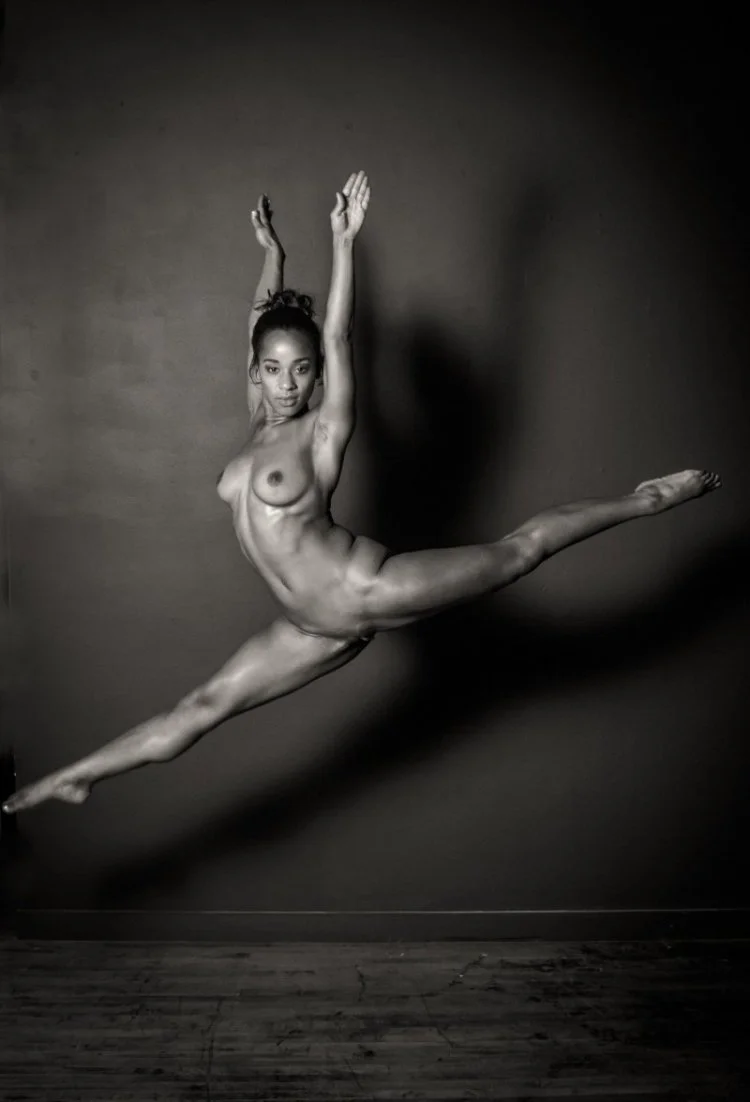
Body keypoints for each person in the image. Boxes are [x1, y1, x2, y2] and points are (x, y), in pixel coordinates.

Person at [2, 170, 721, 815]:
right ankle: (75, 777)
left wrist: (342, 243)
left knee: (521, 551)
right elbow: (258, 328)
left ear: (318, 375)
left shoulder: (323, 430)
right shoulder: (257, 422)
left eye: (302, 370)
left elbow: (341, 337)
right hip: (307, 629)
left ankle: (649, 499)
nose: (289, 383)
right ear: (256, 372)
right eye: (275, 369)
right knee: (202, 705)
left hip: (366, 590)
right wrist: (272, 254)